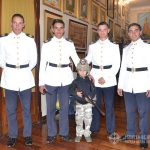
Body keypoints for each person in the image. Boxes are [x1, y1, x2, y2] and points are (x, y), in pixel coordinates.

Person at [39, 19, 80, 143]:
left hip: (66, 79)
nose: (58, 30)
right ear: (52, 29)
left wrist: (86, 73)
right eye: (56, 28)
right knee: (51, 108)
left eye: (61, 28)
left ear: (64, 29)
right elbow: (42, 64)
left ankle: (64, 132)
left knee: (64, 107)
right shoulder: (46, 44)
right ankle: (51, 133)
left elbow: (77, 60)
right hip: (50, 78)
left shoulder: (69, 44)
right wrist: (41, 82)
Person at [0, 13, 37, 147]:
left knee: (26, 109)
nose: (17, 25)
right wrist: (12, 69)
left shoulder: (29, 40)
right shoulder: (3, 40)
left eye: (19, 23)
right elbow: (1, 59)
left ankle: (27, 135)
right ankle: (12, 136)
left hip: (25, 78)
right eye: (14, 23)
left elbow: (33, 60)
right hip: (9, 79)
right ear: (11, 24)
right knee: (11, 110)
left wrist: (22, 69)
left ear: (23, 24)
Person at [85, 22, 120, 139]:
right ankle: (94, 128)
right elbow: (88, 60)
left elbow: (116, 65)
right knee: (95, 104)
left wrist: (105, 77)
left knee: (109, 105)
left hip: (109, 80)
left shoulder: (114, 46)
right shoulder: (92, 46)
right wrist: (80, 63)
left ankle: (110, 130)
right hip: (94, 78)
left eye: (104, 29)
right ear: (97, 31)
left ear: (108, 30)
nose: (102, 32)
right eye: (100, 30)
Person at [117, 23, 150, 149]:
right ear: (128, 33)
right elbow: (123, 68)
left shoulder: (148, 48)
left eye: (136, 30)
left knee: (143, 112)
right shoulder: (125, 49)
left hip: (143, 84)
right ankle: (130, 134)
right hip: (128, 84)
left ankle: (143, 137)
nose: (133, 33)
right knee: (129, 111)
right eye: (131, 31)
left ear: (140, 32)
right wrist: (120, 85)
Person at [69, 59, 95, 143]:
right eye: (80, 70)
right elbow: (70, 90)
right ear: (77, 70)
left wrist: (90, 97)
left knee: (88, 119)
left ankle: (87, 134)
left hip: (88, 104)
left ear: (87, 71)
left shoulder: (90, 81)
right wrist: (76, 93)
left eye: (84, 70)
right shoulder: (75, 81)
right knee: (79, 120)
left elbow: (93, 90)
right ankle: (79, 134)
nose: (82, 72)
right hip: (79, 104)